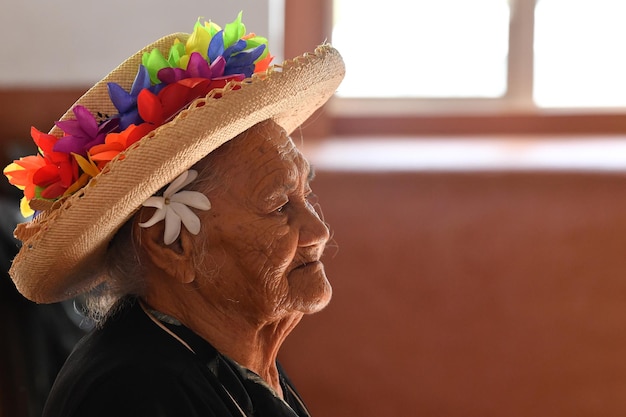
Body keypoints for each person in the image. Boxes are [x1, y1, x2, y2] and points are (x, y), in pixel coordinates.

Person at [4, 12, 344, 417]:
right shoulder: (133, 393)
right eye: (278, 206)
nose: (318, 230)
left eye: (305, 194)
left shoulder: (229, 354)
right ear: (173, 244)